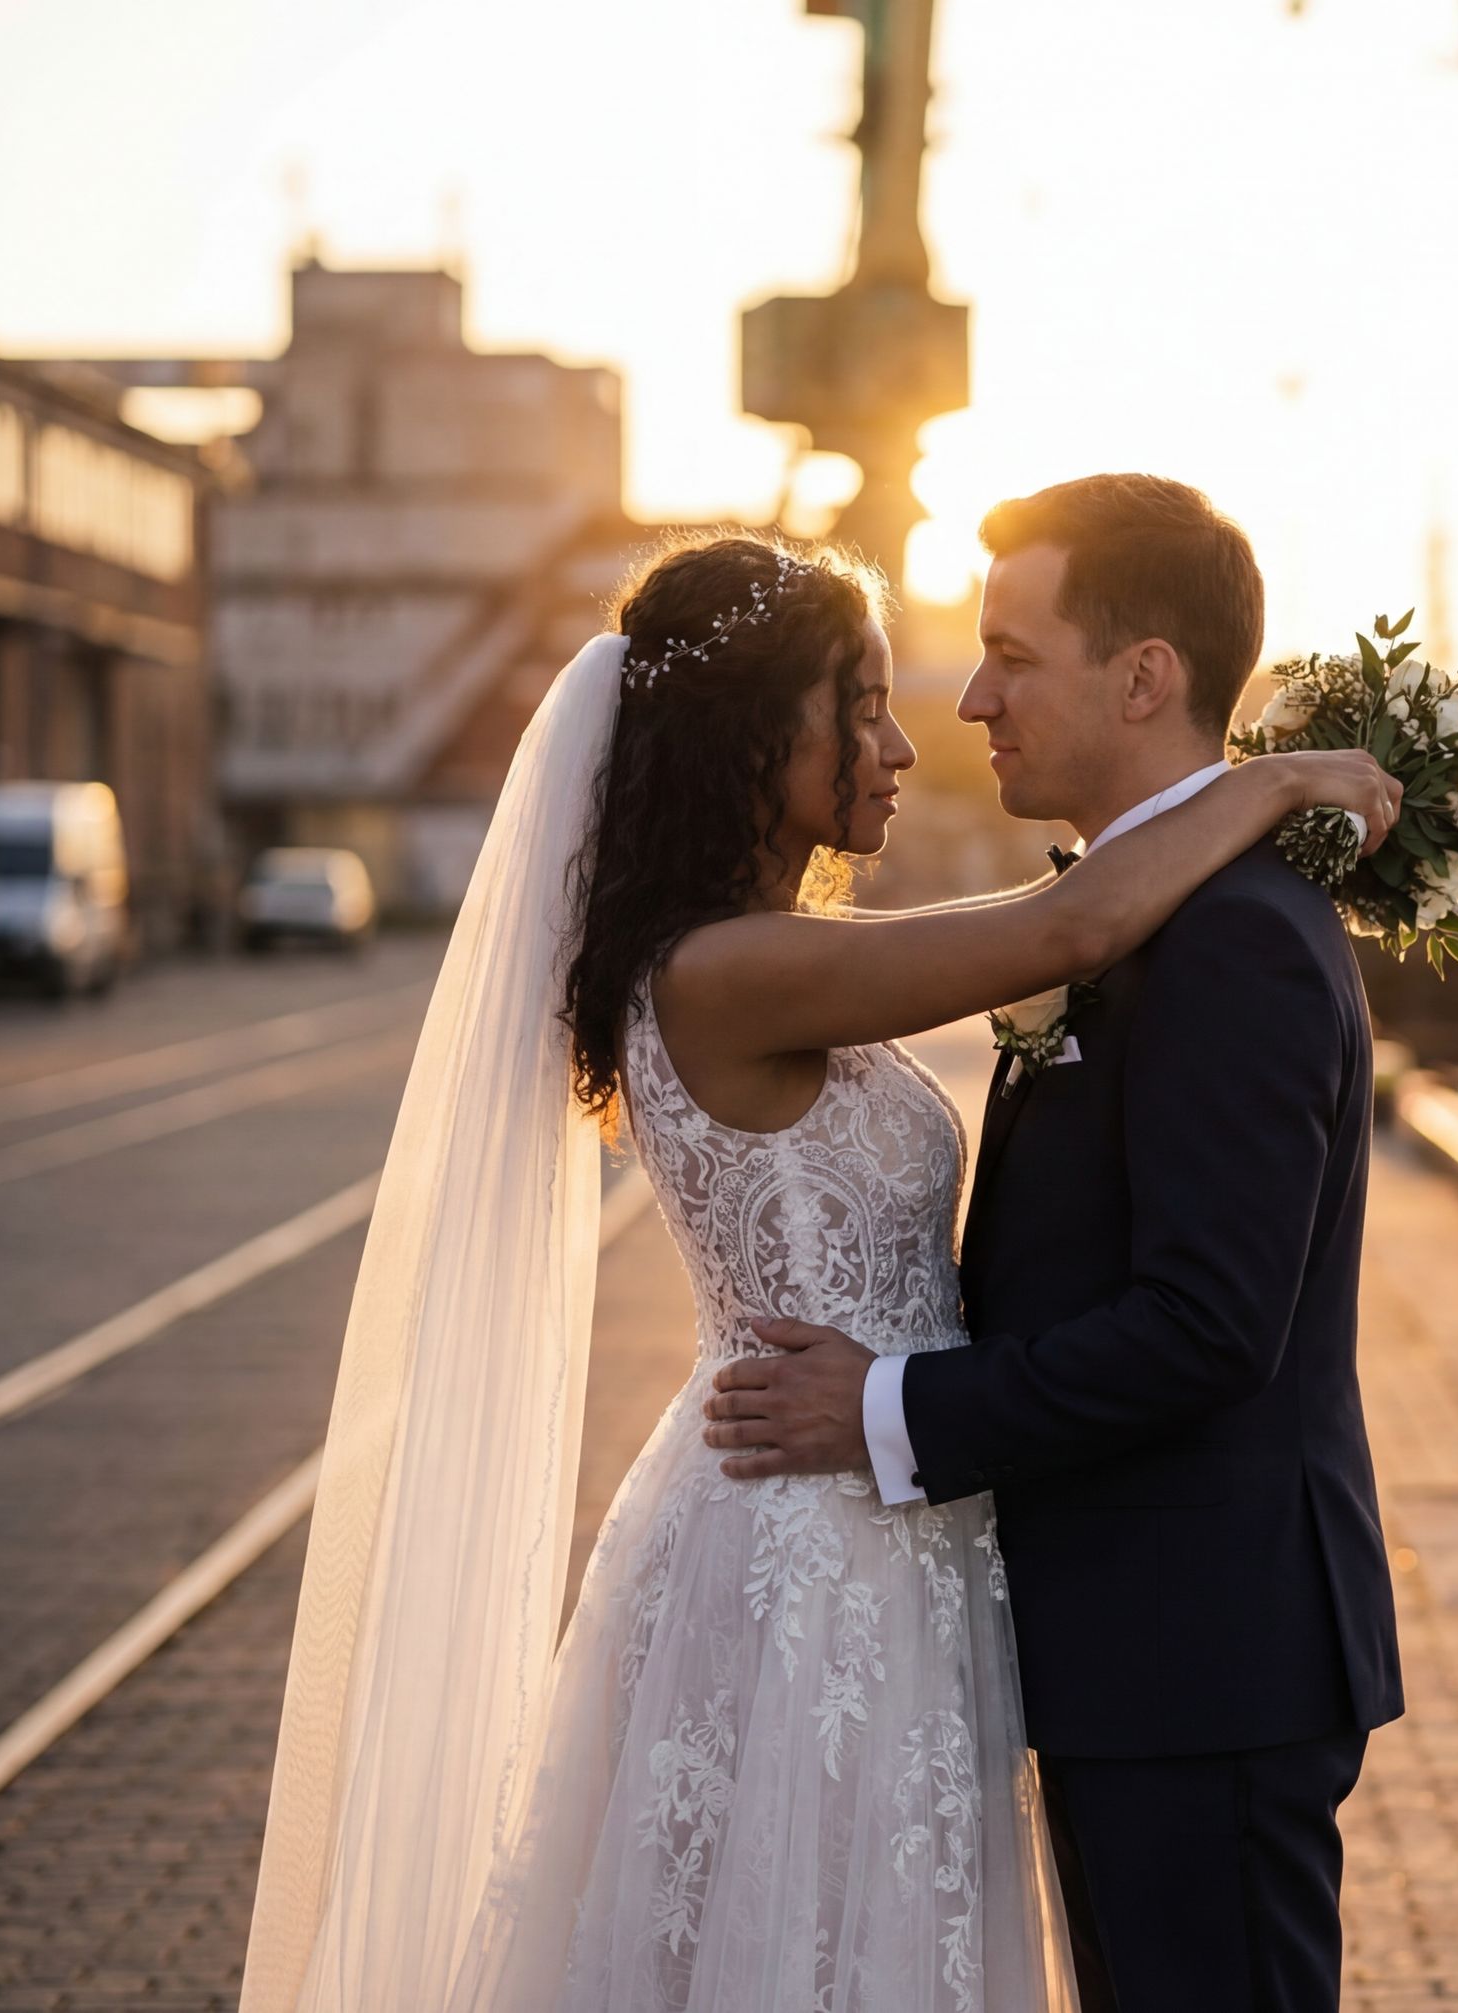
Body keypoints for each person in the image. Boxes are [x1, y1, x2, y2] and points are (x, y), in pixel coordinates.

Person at [236, 529, 1398, 2013]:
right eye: (857, 703)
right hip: (810, 1540)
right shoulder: (725, 968)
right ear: (749, 733)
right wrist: (1275, 779)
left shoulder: (782, 952)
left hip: (901, 1526)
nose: (914, 734)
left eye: (979, 668)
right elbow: (1073, 925)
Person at [703, 475, 1409, 2013]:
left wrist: (887, 1407)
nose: (974, 700)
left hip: (1203, 1656)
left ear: (1142, 675)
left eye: (1014, 655)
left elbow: (1212, 1326)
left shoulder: (1229, 938)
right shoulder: (1128, 911)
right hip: (1133, 1647)